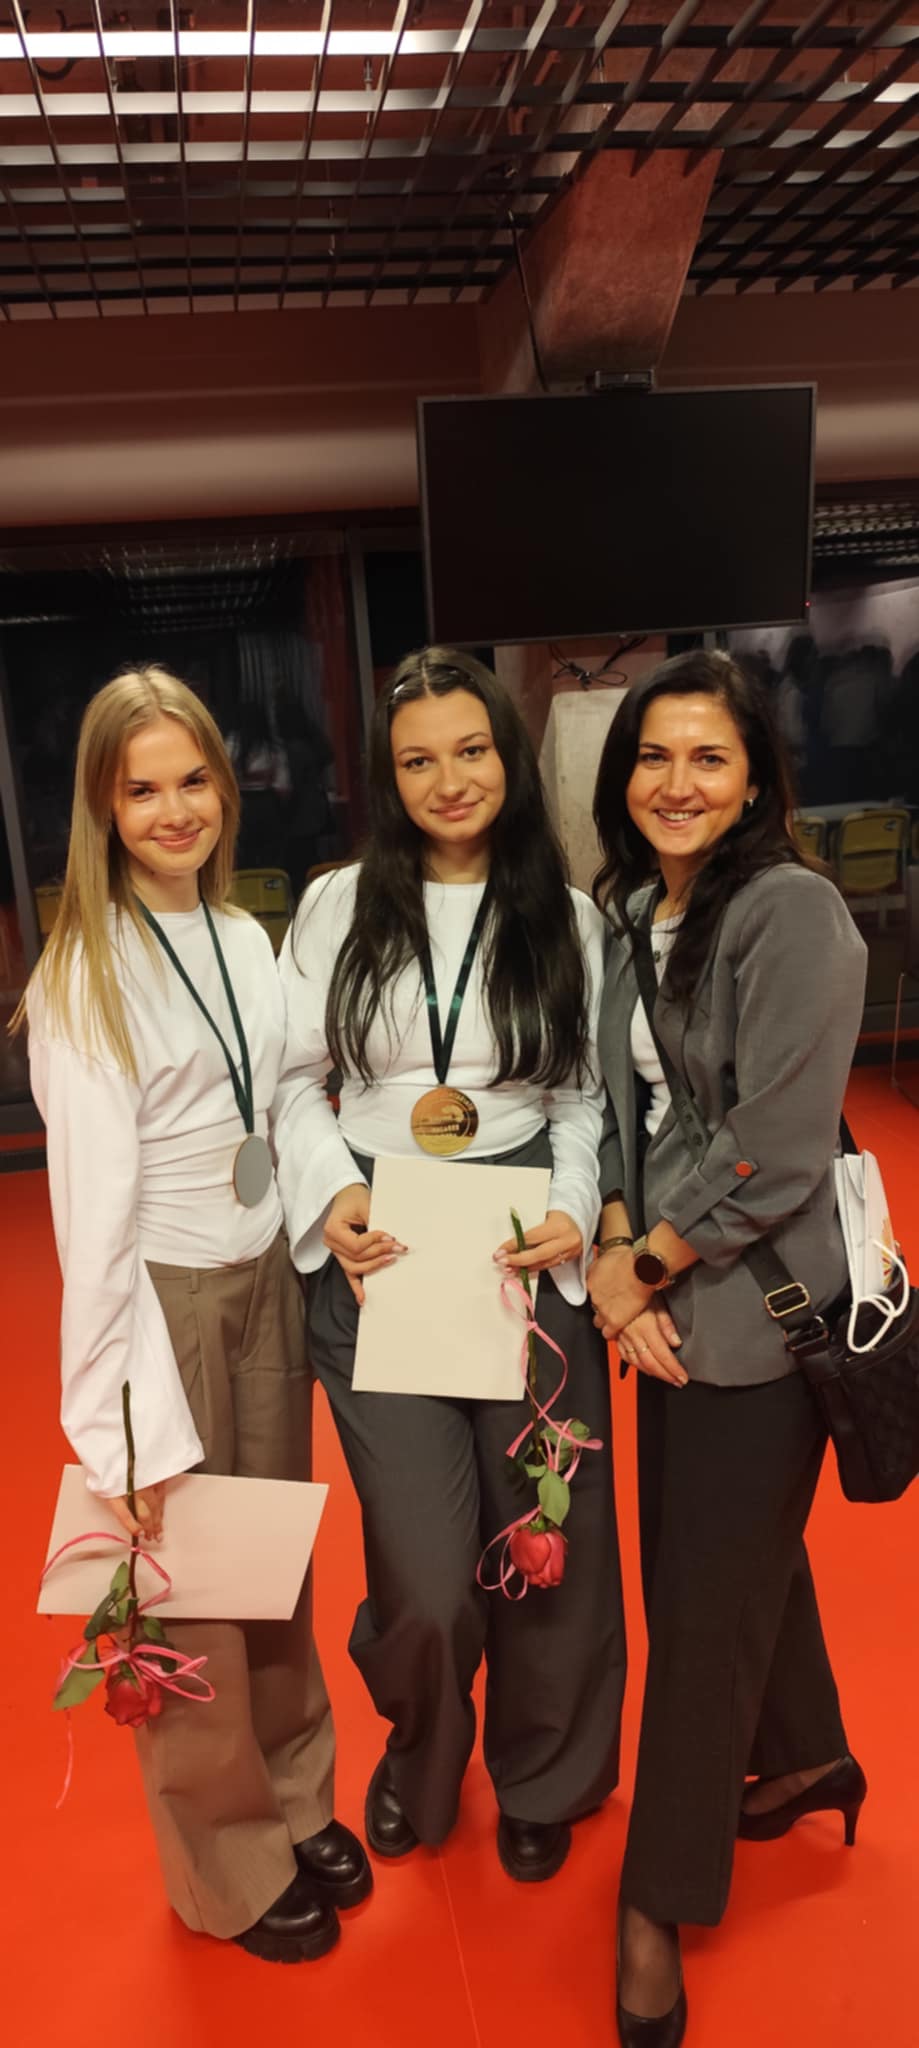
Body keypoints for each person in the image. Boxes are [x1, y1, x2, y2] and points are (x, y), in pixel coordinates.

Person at [20, 665, 370, 1963]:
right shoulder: (83, 975)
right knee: (189, 1599)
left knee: (270, 1568)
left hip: (263, 1275)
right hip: (162, 1298)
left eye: (193, 781)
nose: (175, 811)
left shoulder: (240, 938)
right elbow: (91, 1226)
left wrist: (325, 1210)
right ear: (102, 809)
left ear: (226, 786)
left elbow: (275, 1102)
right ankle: (226, 1863)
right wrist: (121, 1433)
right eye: (142, 790)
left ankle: (295, 1800)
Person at [273, 646, 625, 1882]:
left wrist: (573, 1208)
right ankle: (421, 1748)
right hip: (387, 1244)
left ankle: (545, 1771)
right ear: (387, 777)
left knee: (547, 1537)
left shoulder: (567, 915)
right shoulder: (335, 905)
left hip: (519, 1240)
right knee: (425, 1569)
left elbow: (581, 1098)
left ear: (507, 756)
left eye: (471, 749)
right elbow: (294, 1084)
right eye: (417, 760)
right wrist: (337, 1190)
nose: (449, 779)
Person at [588, 650, 868, 2048]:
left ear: (754, 779)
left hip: (756, 1313)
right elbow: (621, 1111)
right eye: (654, 754)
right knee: (729, 1556)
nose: (676, 781)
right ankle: (807, 1756)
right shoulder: (631, 909)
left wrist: (634, 1267)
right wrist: (614, 1244)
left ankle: (657, 1901)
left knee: (697, 1614)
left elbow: (775, 1148)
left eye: (708, 756)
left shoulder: (791, 912)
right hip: (665, 1301)